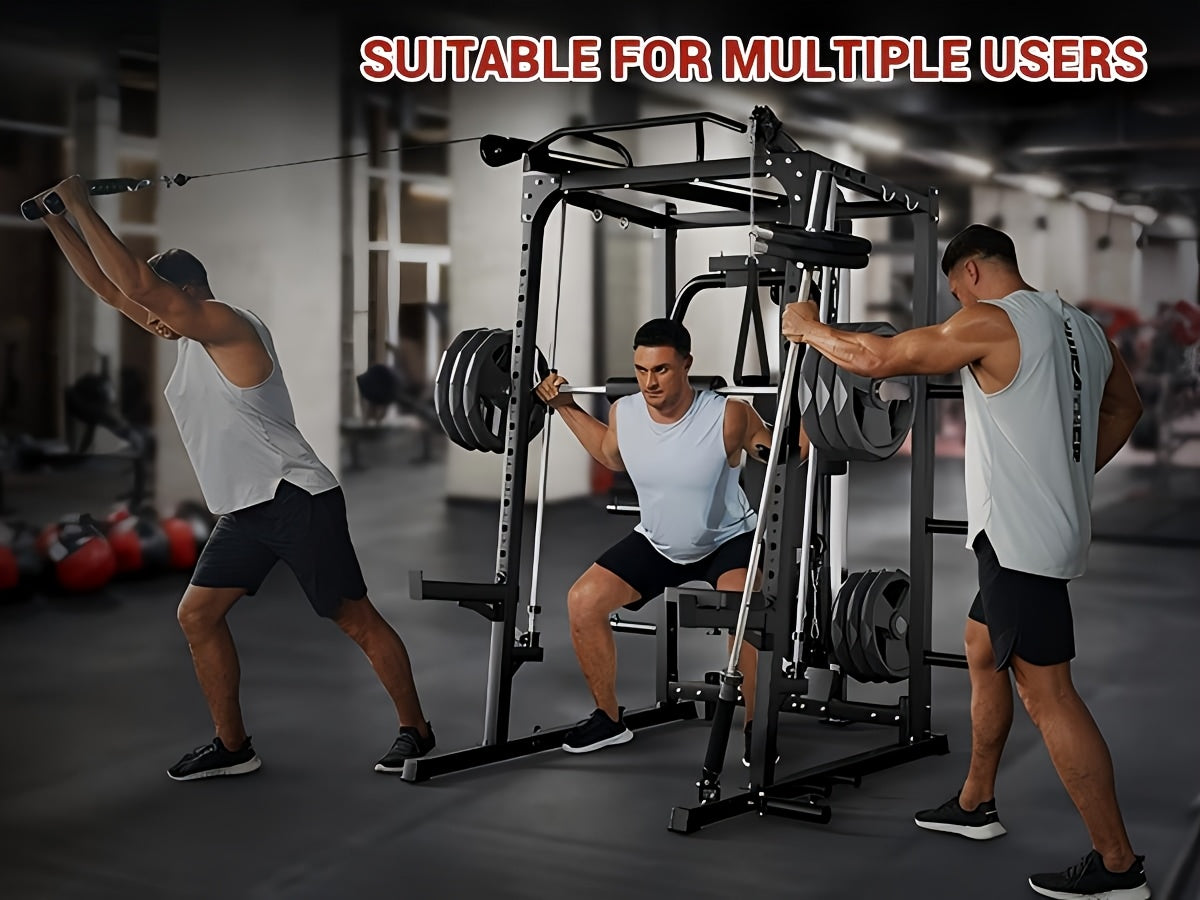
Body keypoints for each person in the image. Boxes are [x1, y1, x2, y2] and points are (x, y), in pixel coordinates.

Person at [781, 224, 1148, 900]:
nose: (956, 302)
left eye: (954, 289)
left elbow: (877, 358)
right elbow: (1126, 407)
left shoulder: (992, 321)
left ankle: (1118, 863)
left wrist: (807, 327)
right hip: (1041, 534)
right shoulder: (1084, 328)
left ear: (972, 272)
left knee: (1049, 694)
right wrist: (1070, 476)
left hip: (1018, 543)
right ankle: (977, 802)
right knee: (980, 644)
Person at [33, 174, 434, 780]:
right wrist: (57, 219)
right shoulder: (187, 336)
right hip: (244, 510)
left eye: (163, 305)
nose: (153, 320)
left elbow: (138, 286)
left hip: (295, 497)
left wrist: (83, 203)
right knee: (196, 615)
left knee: (353, 617)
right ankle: (233, 746)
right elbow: (117, 291)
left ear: (192, 293)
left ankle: (417, 731)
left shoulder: (227, 323)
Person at [536, 318, 807, 763]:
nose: (649, 382)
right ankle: (609, 719)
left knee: (747, 609)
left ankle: (758, 725)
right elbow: (610, 453)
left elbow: (783, 453)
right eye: (641, 370)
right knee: (583, 600)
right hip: (660, 543)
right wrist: (564, 405)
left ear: (687, 365)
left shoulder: (728, 414)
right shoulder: (625, 413)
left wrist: (824, 413)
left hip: (726, 541)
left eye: (661, 369)